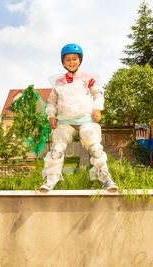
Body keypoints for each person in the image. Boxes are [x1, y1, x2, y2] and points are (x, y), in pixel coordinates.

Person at [40, 43, 117, 192]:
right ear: (63, 62)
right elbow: (52, 102)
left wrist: (97, 109)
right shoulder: (58, 82)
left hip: (85, 119)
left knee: (95, 148)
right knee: (56, 148)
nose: (71, 62)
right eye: (68, 59)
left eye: (74, 59)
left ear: (80, 60)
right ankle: (50, 180)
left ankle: (105, 178)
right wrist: (51, 116)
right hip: (65, 120)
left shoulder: (87, 78)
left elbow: (97, 95)